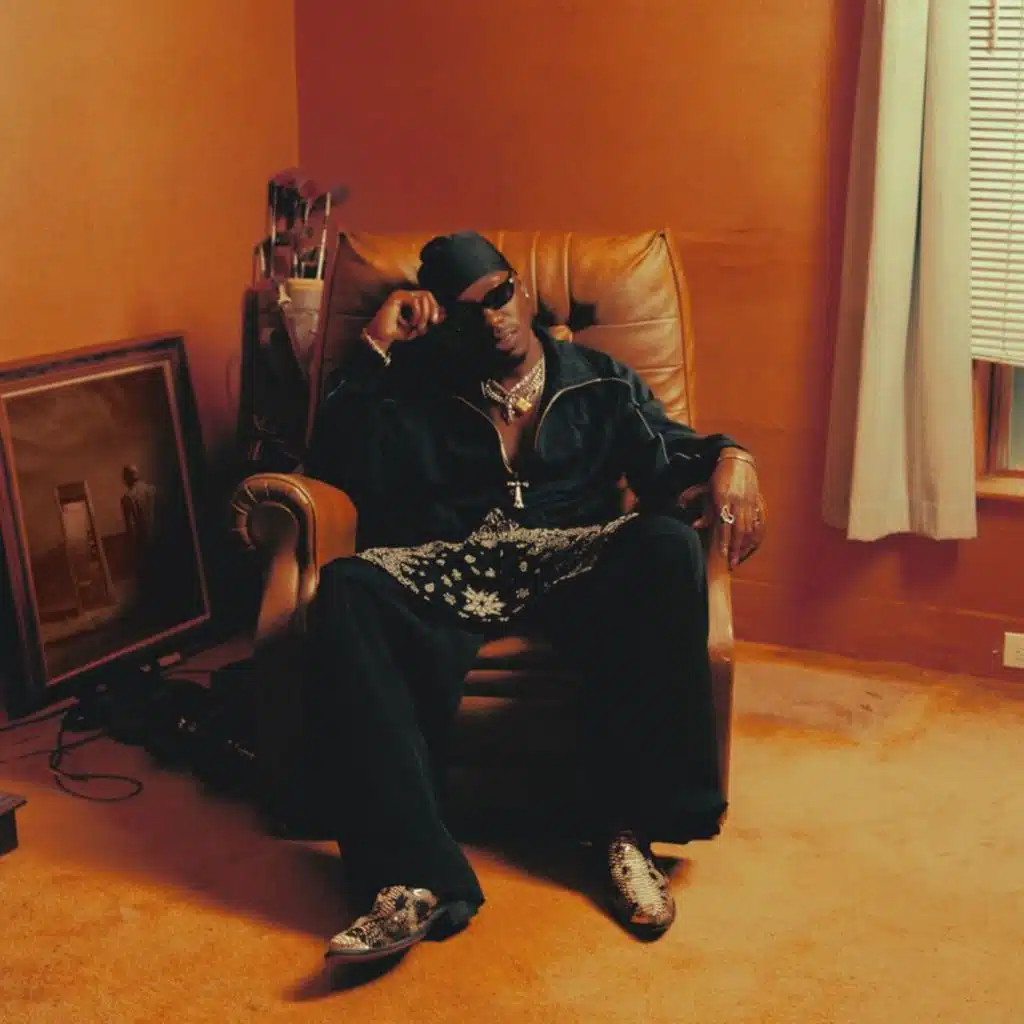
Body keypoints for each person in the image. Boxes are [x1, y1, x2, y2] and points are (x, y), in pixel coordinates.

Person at [302, 232, 765, 964]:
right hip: (456, 566)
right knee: (346, 587)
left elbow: (672, 452)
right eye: (467, 312)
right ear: (444, 321)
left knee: (666, 544)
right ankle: (413, 877)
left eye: (498, 296)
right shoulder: (417, 386)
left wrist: (733, 457)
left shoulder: (600, 381)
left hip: (571, 563)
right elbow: (334, 462)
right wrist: (375, 347)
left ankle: (627, 833)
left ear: (520, 289)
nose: (491, 319)